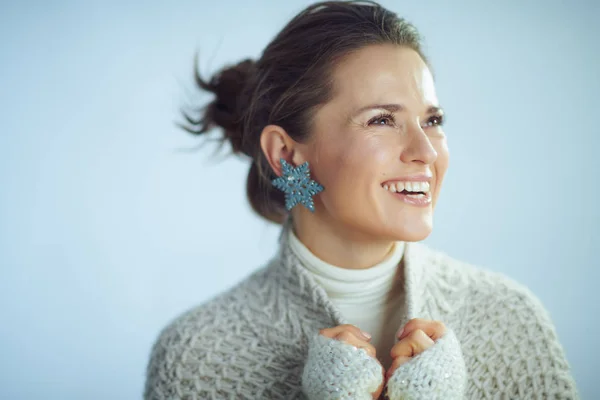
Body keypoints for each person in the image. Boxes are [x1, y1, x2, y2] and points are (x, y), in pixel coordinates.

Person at [143, 1, 579, 398]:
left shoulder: (510, 321)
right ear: (286, 154)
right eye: (383, 119)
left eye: (433, 120)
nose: (425, 152)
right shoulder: (198, 356)